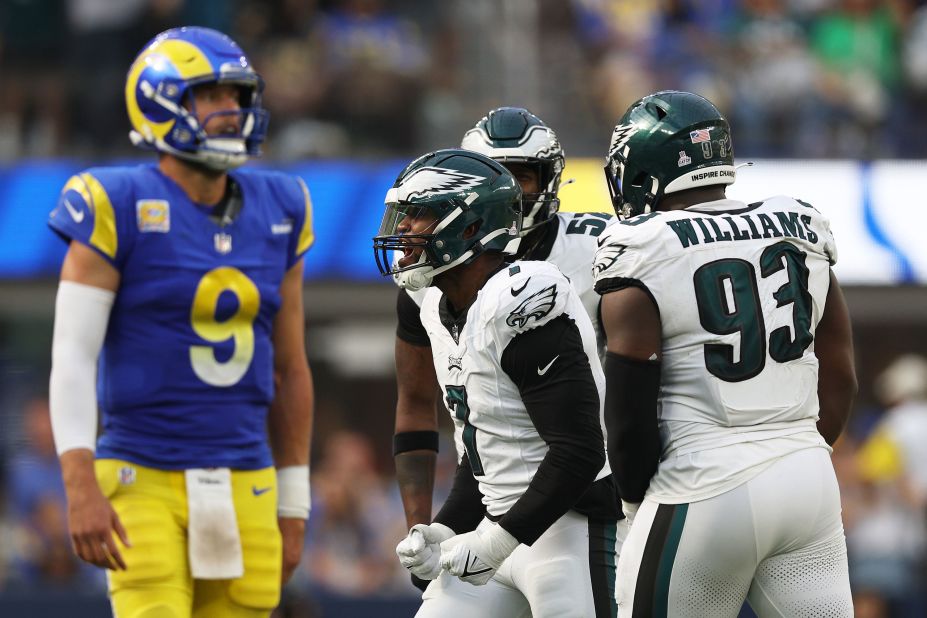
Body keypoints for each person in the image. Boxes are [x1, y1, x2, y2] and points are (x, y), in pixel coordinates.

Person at [46, 27, 315, 617]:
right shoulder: (111, 201)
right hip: (141, 474)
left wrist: (294, 502)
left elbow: (291, 369)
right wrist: (78, 481)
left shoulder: (284, 205)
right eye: (210, 97)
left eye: (236, 98)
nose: (230, 112)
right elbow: (72, 356)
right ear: (159, 100)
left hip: (248, 477)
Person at [593, 90, 856, 616]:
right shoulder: (798, 223)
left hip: (703, 482)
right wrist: (792, 447)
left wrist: (632, 498)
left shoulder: (642, 245)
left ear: (645, 168)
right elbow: (842, 375)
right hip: (807, 478)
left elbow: (628, 417)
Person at [374, 149, 620, 616]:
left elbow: (581, 450)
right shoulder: (434, 304)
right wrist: (444, 529)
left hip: (572, 526)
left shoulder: (523, 294)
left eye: (419, 215)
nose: (402, 228)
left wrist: (498, 541)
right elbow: (486, 450)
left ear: (469, 228)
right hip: (494, 529)